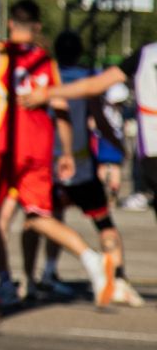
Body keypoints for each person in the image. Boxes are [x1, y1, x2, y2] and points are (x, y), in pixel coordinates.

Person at [0, 0, 115, 305]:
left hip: (5, 145)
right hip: (39, 148)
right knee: (34, 216)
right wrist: (68, 152)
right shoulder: (45, 61)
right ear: (37, 26)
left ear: (10, 25)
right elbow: (62, 111)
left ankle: (5, 279)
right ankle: (84, 259)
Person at [39, 30, 128, 300]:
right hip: (80, 163)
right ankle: (116, 278)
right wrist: (116, 145)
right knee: (104, 222)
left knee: (44, 219)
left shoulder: (46, 79)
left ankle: (45, 273)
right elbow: (100, 120)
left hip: (48, 163)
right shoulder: (87, 81)